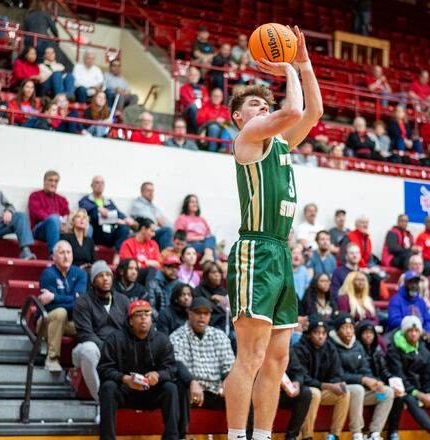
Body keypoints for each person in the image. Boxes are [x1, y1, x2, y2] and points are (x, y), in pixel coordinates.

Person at [224, 28, 323, 440]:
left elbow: (312, 111)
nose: (262, 107)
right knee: (250, 356)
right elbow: (294, 111)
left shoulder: (280, 143)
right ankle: (235, 436)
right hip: (256, 251)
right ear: (239, 117)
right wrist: (284, 68)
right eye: (254, 104)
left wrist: (302, 62)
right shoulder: (248, 138)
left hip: (281, 254)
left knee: (277, 360)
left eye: (266, 103)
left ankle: (262, 436)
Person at [98, 299, 188, 440]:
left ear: (151, 319)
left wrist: (158, 375)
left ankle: (172, 437)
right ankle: (107, 438)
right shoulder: (115, 339)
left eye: (147, 314)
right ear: (130, 320)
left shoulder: (162, 340)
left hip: (152, 391)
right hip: (126, 390)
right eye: (138, 314)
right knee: (108, 387)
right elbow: (104, 369)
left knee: (171, 388)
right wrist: (124, 378)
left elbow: (171, 369)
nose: (143, 318)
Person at [72, 261, 129, 414]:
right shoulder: (83, 301)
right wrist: (110, 351)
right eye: (100, 276)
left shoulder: (123, 301)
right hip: (88, 349)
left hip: (117, 349)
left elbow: (129, 330)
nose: (105, 279)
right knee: (88, 349)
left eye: (108, 275)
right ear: (93, 281)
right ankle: (104, 404)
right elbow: (86, 334)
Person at [329, 313, 393, 440]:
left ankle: (374, 433)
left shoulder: (357, 345)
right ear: (337, 330)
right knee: (358, 389)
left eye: (350, 327)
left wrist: (376, 382)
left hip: (361, 393)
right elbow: (338, 374)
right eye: (344, 327)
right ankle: (357, 434)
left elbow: (365, 368)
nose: (348, 331)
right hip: (342, 391)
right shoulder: (331, 346)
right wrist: (363, 379)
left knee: (386, 393)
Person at [171, 296, 234, 410]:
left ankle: (246, 428)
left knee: (242, 391)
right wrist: (192, 382)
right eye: (198, 312)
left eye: (206, 313)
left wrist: (227, 380)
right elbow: (177, 363)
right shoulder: (177, 336)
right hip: (190, 388)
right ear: (189, 313)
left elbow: (228, 364)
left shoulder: (219, 336)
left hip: (215, 389)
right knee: (176, 387)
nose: (202, 316)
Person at [294, 316, 352, 440]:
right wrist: (327, 386)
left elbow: (337, 373)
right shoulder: (299, 348)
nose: (321, 336)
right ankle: (307, 436)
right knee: (314, 393)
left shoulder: (330, 348)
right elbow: (301, 377)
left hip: (322, 389)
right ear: (309, 334)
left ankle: (334, 435)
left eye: (323, 333)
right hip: (303, 391)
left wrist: (337, 383)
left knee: (344, 393)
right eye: (316, 332)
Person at [37, 241, 86, 372]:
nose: (66, 256)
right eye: (62, 252)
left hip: (70, 323)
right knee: (60, 312)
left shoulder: (80, 274)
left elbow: (81, 302)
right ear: (54, 257)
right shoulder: (48, 274)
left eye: (68, 252)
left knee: (90, 323)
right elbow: (50, 305)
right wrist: (72, 300)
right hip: (46, 321)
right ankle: (52, 359)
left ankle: (81, 365)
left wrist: (55, 297)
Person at [77, 176, 132, 259]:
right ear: (92, 185)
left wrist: (126, 219)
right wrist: (98, 209)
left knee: (124, 227)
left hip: (108, 231)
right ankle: (86, 255)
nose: (100, 185)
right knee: (93, 217)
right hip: (96, 232)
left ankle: (117, 255)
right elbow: (87, 209)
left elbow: (118, 213)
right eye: (97, 182)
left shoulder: (108, 201)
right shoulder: (86, 199)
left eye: (102, 183)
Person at [28, 170, 70, 257]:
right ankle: (54, 256)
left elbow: (67, 215)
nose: (53, 183)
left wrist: (65, 224)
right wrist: (58, 221)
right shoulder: (35, 196)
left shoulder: (62, 199)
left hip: (59, 228)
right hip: (39, 230)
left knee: (85, 226)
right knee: (53, 219)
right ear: (44, 181)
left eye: (56, 181)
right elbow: (38, 213)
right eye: (50, 180)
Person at [174, 194, 216, 264]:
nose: (195, 204)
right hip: (191, 243)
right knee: (209, 249)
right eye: (192, 202)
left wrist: (205, 238)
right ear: (187, 204)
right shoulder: (181, 218)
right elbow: (179, 237)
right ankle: (213, 260)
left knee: (212, 237)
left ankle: (207, 256)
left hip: (204, 243)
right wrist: (198, 238)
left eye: (196, 202)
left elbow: (209, 235)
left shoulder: (202, 219)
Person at [131, 182, 173, 250]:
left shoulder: (154, 207)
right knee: (167, 231)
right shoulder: (137, 205)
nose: (151, 193)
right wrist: (157, 220)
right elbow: (148, 221)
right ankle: (166, 257)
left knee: (175, 234)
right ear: (142, 192)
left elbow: (167, 222)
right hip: (147, 233)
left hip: (157, 232)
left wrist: (161, 221)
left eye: (152, 190)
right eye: (148, 190)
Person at [193, 263, 231, 335]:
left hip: (227, 324)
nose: (217, 275)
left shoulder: (224, 291)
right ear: (206, 275)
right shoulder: (198, 291)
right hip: (209, 325)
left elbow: (231, 313)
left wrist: (222, 300)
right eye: (214, 272)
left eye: (219, 272)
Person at [197, 87, 232, 152]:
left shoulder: (225, 110)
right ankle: (212, 151)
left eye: (219, 96)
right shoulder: (205, 108)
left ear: (222, 98)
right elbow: (200, 121)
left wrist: (224, 121)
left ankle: (227, 151)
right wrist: (215, 120)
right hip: (208, 131)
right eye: (215, 96)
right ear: (211, 96)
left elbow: (231, 122)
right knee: (214, 127)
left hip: (223, 132)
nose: (217, 98)